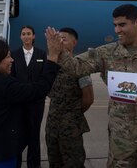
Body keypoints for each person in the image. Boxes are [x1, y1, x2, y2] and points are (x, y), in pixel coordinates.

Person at [46, 4, 137, 167]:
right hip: (121, 140)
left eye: (122, 25)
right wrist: (58, 52)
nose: (117, 30)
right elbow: (77, 67)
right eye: (115, 25)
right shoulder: (106, 53)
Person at [0, 39, 60, 168]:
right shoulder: (4, 84)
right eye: (8, 56)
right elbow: (38, 90)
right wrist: (52, 58)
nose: (12, 60)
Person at [45, 27, 94, 168]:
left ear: (74, 42)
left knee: (73, 163)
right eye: (57, 39)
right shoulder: (51, 66)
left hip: (70, 129)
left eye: (64, 39)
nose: (59, 42)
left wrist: (72, 114)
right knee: (54, 161)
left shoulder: (79, 67)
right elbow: (47, 91)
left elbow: (88, 98)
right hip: (52, 126)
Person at [11, 26, 47, 168]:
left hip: (36, 102)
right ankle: (16, 164)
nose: (26, 36)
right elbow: (12, 77)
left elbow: (44, 77)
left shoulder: (41, 54)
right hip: (19, 102)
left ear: (33, 36)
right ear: (20, 37)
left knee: (34, 135)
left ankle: (34, 165)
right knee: (18, 135)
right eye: (23, 34)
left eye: (28, 34)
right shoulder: (14, 54)